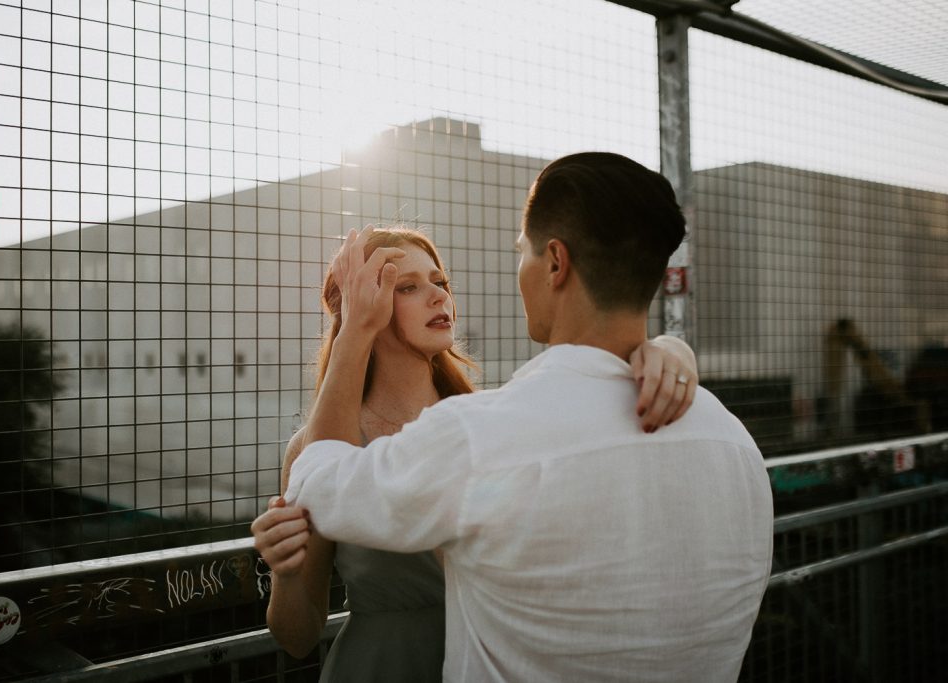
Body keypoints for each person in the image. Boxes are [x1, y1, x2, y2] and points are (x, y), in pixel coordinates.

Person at [265, 153, 774, 681]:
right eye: (407, 285)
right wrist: (665, 348)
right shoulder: (734, 442)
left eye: (439, 280)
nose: (440, 293)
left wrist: (352, 332)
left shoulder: (485, 434)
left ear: (555, 263)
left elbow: (322, 476)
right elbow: (296, 631)